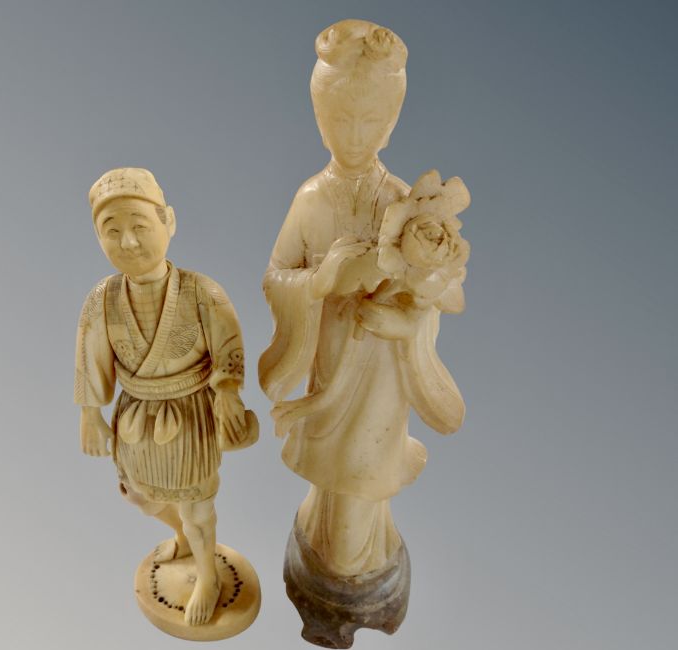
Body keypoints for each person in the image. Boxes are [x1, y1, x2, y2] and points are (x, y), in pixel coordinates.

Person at [259, 20, 465, 578]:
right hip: (329, 355)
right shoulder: (310, 199)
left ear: (391, 123)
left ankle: (357, 567)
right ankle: (333, 552)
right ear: (318, 119)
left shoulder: (404, 202)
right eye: (339, 120)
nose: (353, 136)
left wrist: (406, 329)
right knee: (330, 481)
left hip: (381, 370)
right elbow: (277, 276)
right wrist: (320, 281)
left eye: (369, 122)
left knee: (362, 483)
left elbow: (430, 294)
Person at [75, 167, 251, 626]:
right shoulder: (102, 299)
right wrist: (90, 414)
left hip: (190, 414)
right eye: (112, 232)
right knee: (137, 494)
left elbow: (229, 349)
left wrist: (228, 393)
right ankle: (184, 537)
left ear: (168, 222)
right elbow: (90, 357)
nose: (129, 242)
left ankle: (208, 576)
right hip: (135, 413)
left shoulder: (202, 292)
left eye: (139, 226)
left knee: (197, 505)